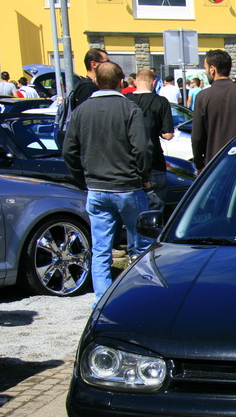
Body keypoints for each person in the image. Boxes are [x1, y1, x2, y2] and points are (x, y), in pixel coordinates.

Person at [62, 61, 151, 305]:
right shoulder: (129, 109)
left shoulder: (81, 111)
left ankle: (101, 302)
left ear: (96, 81)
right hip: (128, 186)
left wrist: (83, 178)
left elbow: (69, 151)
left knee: (101, 249)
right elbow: (142, 149)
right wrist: (143, 176)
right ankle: (141, 296)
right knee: (141, 246)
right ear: (122, 81)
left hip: (97, 187)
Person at [190, 49, 236, 173]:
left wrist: (198, 164)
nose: (206, 72)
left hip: (216, 163)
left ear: (212, 69)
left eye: (205, 68)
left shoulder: (203, 97)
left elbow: (197, 137)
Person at [127, 68, 174, 207]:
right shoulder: (161, 101)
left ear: (135, 81)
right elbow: (168, 134)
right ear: (153, 82)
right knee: (155, 208)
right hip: (155, 161)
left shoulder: (125, 100)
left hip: (129, 164)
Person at [56, 47, 108, 147]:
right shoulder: (88, 87)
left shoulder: (85, 85)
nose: (108, 66)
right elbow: (86, 119)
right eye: (106, 62)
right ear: (93, 64)